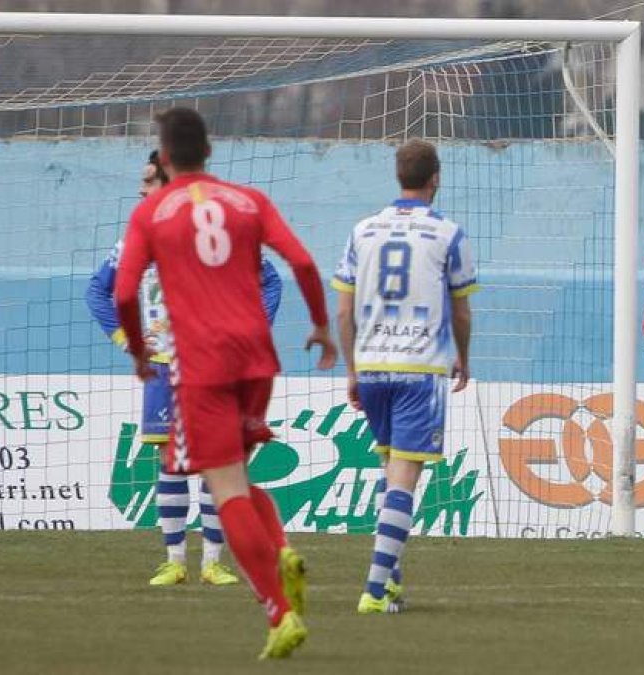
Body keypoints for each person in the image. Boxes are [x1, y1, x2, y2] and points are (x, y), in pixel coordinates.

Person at [115, 107, 337, 658]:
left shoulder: (151, 213)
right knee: (236, 476)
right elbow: (304, 262)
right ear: (209, 150)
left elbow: (122, 295)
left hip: (203, 365)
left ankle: (280, 614)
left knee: (225, 489)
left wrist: (141, 353)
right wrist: (320, 324)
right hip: (257, 360)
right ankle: (281, 549)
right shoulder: (249, 201)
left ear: (164, 158)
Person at [87, 150, 284, 587]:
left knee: (219, 460)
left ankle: (213, 563)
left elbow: (271, 280)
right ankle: (175, 560)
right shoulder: (138, 236)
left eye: (149, 182)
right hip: (163, 367)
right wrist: (126, 340)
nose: (141, 191)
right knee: (170, 461)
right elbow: (97, 292)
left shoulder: (216, 230)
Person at [332, 138, 476, 614]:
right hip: (420, 367)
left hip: (372, 365)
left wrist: (353, 368)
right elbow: (461, 312)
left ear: (399, 176)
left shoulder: (363, 230)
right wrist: (464, 357)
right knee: (404, 481)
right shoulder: (448, 234)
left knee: (390, 472)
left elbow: (345, 309)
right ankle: (374, 590)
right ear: (436, 177)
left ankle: (390, 584)